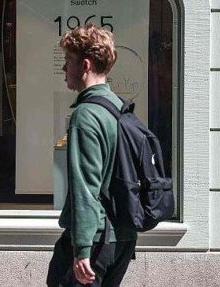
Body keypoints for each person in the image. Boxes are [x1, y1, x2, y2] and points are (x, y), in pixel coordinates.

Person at [47, 24, 137, 287]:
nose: (64, 68)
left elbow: (85, 187)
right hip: (123, 237)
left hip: (96, 239)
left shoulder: (85, 115)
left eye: (68, 61)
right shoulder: (119, 108)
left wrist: (82, 249)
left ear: (85, 65)